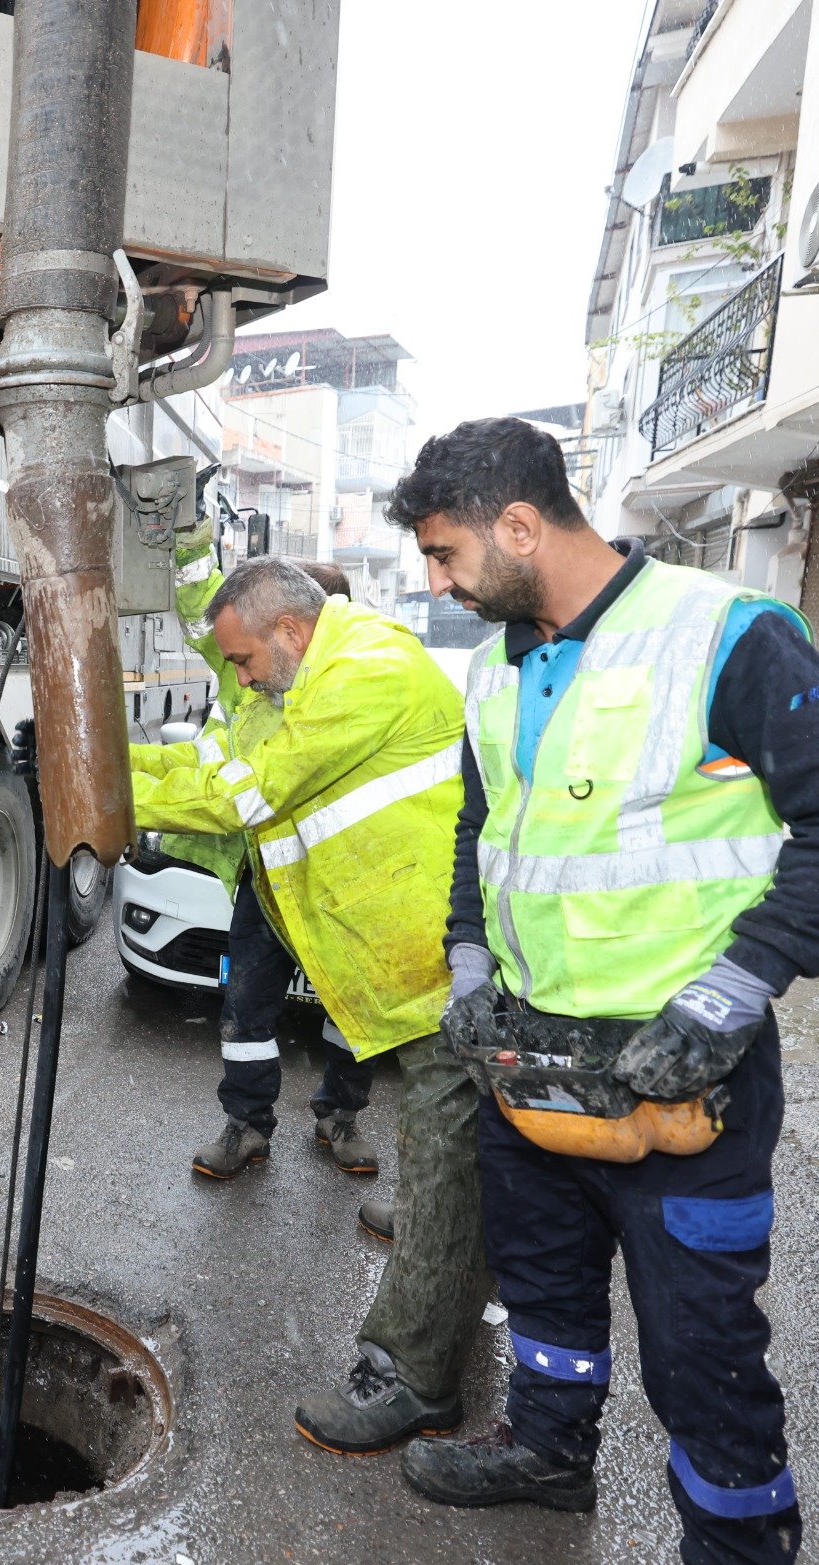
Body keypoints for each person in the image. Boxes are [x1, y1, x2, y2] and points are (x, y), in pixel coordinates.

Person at [384, 419, 819, 1565]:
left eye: (449, 556)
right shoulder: (502, 668)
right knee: (548, 1297)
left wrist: (736, 991)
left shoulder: (722, 633)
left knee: (701, 1358)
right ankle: (548, 1452)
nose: (440, 585)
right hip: (532, 1063)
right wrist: (469, 969)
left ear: (520, 525)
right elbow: (481, 831)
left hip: (686, 1081)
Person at [131, 556, 496, 1453]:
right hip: (414, 961)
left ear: (291, 631)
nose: (243, 677)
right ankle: (442, 1245)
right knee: (444, 1144)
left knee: (450, 1156)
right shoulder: (310, 670)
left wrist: (104, 776)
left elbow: (245, 794)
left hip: (439, 966)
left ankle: (412, 1372)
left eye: (249, 659)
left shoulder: (363, 669)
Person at [139, 537, 377, 1179]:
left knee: (351, 1010)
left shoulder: (352, 697)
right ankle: (247, 1126)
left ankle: (340, 1116)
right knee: (246, 1006)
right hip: (268, 882)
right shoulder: (253, 689)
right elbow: (208, 773)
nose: (245, 672)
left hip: (339, 885)